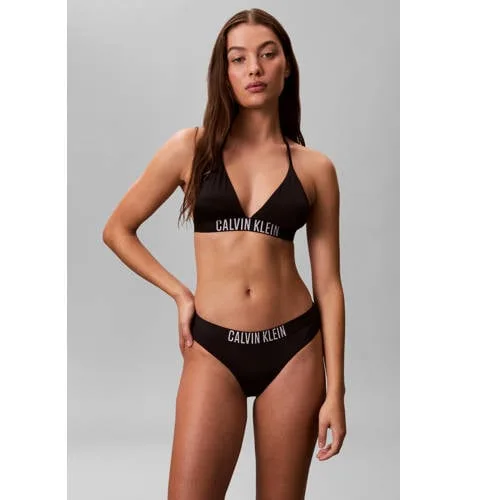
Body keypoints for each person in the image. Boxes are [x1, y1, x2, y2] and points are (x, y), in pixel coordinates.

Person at [103, 7, 346, 500]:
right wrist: (180, 294)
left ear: (286, 66)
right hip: (213, 347)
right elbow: (118, 230)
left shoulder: (315, 169)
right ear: (225, 72)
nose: (254, 68)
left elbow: (329, 286)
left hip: (294, 349)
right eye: (239, 58)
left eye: (267, 54)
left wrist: (336, 391)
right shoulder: (190, 149)